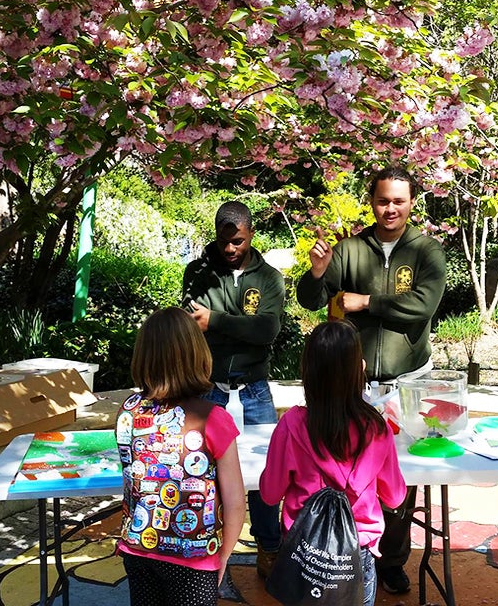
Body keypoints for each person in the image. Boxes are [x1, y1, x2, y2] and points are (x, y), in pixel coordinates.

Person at [296, 166, 446, 594]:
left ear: (412, 202)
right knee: (348, 473)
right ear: (372, 202)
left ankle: (391, 561)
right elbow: (311, 301)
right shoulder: (349, 250)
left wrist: (367, 302)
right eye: (383, 201)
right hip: (354, 384)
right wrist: (318, 272)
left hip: (408, 381)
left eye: (398, 201)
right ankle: (346, 553)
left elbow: (423, 305)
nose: (390, 209)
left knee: (401, 476)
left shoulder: (427, 250)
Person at [259, 320, 407, 606]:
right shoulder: (377, 428)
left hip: (305, 552)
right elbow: (395, 497)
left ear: (308, 371)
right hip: (358, 551)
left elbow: (269, 493)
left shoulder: (292, 424)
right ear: (359, 369)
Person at [181, 201, 286, 579]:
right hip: (208, 390)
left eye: (238, 241)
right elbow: (192, 327)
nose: (230, 248)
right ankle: (205, 551)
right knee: (201, 473)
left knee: (266, 476)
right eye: (224, 240)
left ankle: (269, 548)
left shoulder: (270, 278)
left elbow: (268, 330)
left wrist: (216, 320)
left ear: (251, 234)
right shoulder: (197, 273)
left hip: (255, 389)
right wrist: (241, 326)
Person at [115, 307, 245, 606]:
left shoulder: (127, 411)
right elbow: (236, 503)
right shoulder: (213, 418)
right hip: (195, 558)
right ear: (198, 354)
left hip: (138, 548)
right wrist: (224, 555)